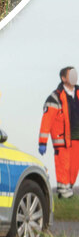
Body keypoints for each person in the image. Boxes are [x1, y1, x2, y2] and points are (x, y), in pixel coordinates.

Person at [39, 66, 79, 198]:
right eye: (71, 75)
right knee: (63, 166)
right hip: (62, 139)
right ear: (63, 78)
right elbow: (47, 120)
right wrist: (42, 142)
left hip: (76, 138)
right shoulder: (55, 97)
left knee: (73, 168)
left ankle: (68, 188)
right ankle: (63, 192)